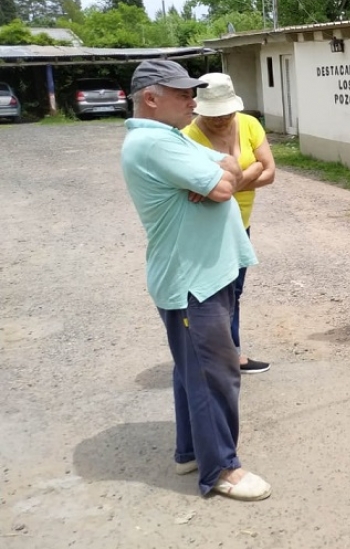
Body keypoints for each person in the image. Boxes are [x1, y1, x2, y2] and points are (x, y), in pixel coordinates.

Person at [120, 59, 271, 501]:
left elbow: (227, 165)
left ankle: (191, 450)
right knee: (213, 374)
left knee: (191, 371)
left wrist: (218, 176)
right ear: (151, 98)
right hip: (193, 280)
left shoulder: (166, 138)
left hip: (202, 274)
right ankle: (221, 468)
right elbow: (228, 185)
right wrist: (218, 179)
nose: (192, 100)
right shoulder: (155, 144)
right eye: (183, 93)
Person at [182, 73, 276, 374]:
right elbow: (195, 192)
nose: (221, 119)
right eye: (214, 114)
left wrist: (229, 185)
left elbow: (270, 171)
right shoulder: (187, 137)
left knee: (234, 291)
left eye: (226, 112)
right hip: (207, 229)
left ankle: (230, 353)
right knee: (209, 293)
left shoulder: (249, 124)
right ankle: (215, 356)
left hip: (241, 224)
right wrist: (252, 172)